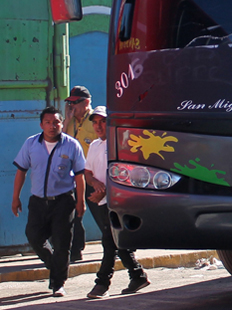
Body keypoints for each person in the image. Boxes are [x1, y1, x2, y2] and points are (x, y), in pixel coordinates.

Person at [12, 106, 86, 297]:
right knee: (33, 236)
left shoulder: (71, 145)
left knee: (62, 243)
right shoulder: (31, 143)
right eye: (48, 122)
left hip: (63, 202)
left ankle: (58, 283)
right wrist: (15, 197)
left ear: (61, 123)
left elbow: (80, 176)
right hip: (38, 201)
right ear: (41, 125)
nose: (52, 126)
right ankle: (54, 264)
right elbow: (21, 171)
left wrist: (80, 201)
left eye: (56, 122)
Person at [84, 106, 150, 298]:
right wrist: (96, 185)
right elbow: (88, 172)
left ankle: (102, 283)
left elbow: (124, 172)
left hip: (118, 200)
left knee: (109, 241)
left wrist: (104, 190)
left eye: (102, 122)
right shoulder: (94, 145)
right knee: (116, 240)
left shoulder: (120, 144)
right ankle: (137, 275)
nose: (98, 126)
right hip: (102, 201)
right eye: (95, 123)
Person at [63, 85, 98, 262]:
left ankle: (117, 246)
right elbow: (60, 141)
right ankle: (75, 250)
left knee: (100, 211)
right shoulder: (70, 121)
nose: (72, 106)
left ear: (86, 102)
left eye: (75, 103)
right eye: (70, 103)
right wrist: (67, 120)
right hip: (74, 175)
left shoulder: (95, 121)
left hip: (93, 175)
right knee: (75, 212)